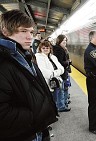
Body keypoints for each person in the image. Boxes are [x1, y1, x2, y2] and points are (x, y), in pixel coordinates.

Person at [0, 9, 58, 141]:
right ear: (5, 31)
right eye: (23, 31)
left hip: (35, 129)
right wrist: (36, 114)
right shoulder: (4, 61)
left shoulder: (23, 54)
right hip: (24, 134)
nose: (29, 37)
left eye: (31, 32)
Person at [35, 40, 70, 112]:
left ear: (50, 49)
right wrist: (55, 73)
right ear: (40, 48)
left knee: (58, 95)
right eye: (43, 48)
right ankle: (52, 112)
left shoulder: (53, 57)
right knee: (51, 98)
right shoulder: (38, 57)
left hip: (57, 80)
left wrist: (55, 73)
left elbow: (61, 69)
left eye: (47, 48)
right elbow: (43, 71)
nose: (45, 49)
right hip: (48, 82)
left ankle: (57, 108)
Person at [53, 34, 72, 109]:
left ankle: (64, 103)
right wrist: (68, 62)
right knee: (62, 89)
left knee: (64, 88)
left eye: (65, 41)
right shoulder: (59, 49)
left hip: (63, 72)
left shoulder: (61, 48)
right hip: (62, 72)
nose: (65, 42)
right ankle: (61, 106)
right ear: (59, 41)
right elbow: (60, 62)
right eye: (63, 40)